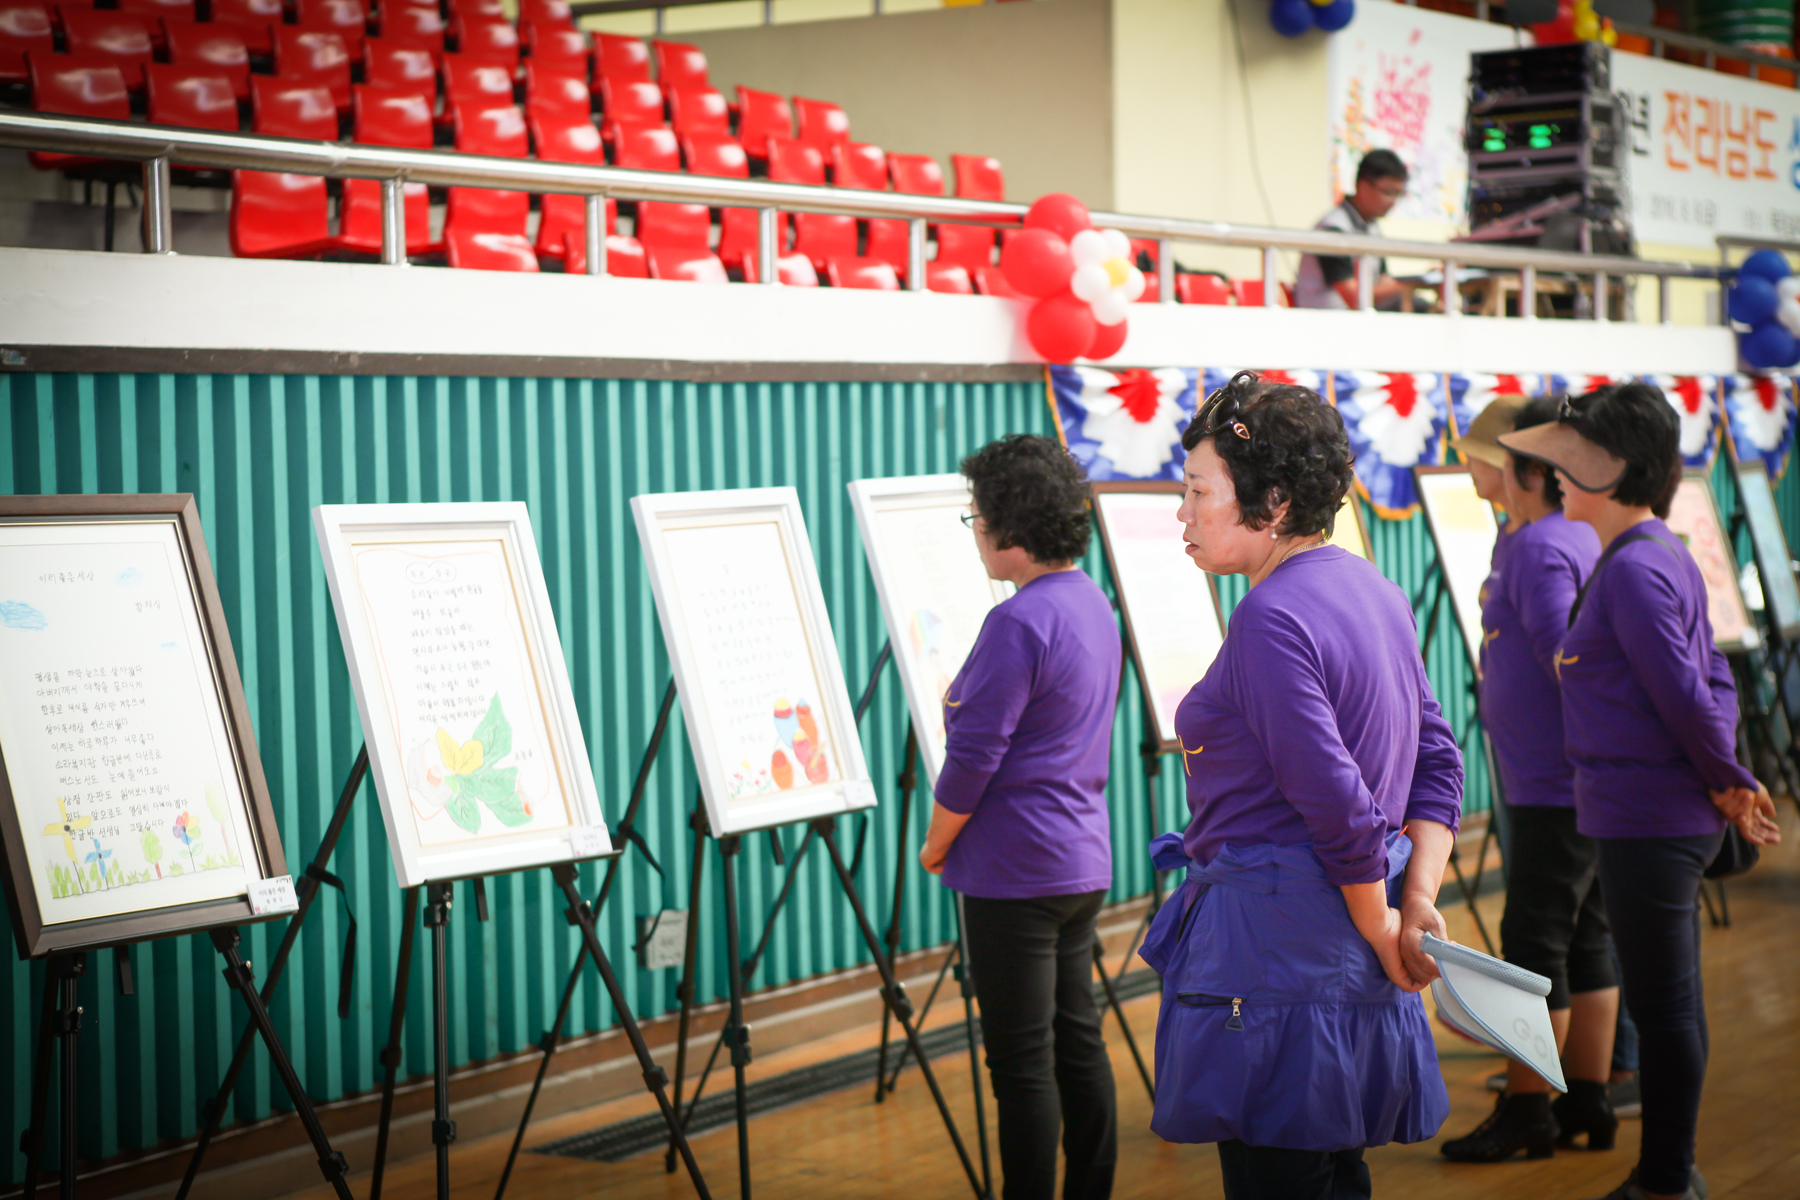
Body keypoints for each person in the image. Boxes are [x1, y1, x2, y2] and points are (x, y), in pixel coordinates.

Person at [1142, 371, 1462, 1200]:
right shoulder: (1375, 590)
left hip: (1280, 959)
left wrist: (1387, 923)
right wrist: (1414, 900)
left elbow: (1339, 803)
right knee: (1333, 1171)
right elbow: (1438, 763)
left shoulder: (1270, 617)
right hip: (1347, 943)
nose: (1182, 513)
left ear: (1274, 502)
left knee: (1280, 1177)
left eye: (1197, 491)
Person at [1499, 383, 1782, 1200]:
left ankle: (1664, 1179)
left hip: (1647, 819)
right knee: (1669, 1005)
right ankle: (1669, 1172)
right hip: (1645, 814)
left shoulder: (1633, 568)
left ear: (1615, 468)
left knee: (1664, 1010)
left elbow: (1687, 692)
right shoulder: (1649, 553)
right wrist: (1725, 776)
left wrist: (1728, 780)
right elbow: (1710, 676)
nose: (1558, 474)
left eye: (1575, 458)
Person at [918, 433, 1122, 1200]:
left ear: (1011, 522)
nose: (974, 529)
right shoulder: (1091, 601)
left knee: (1021, 1064)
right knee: (1077, 1042)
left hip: (1014, 872)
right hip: (1079, 862)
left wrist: (936, 844)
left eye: (977, 514)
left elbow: (973, 758)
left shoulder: (1017, 621)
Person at [1441, 395, 1618, 1163]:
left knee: (1533, 943)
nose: (1482, 468)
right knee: (1584, 936)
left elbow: (1564, 658)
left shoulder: (1540, 546)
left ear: (1527, 473)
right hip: (1573, 778)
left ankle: (1527, 1110)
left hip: (1554, 782)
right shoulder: (1556, 534)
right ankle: (1588, 1101)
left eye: (1498, 459)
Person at [1295, 150, 1410, 310]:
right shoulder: (1333, 228)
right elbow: (1353, 297)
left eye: (1399, 194)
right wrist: (1409, 286)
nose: (1393, 201)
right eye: (1389, 192)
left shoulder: (1372, 228)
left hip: (1359, 316)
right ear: (1363, 186)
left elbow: (1383, 281)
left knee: (1418, 305)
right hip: (1325, 319)